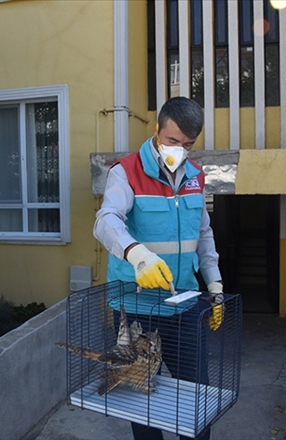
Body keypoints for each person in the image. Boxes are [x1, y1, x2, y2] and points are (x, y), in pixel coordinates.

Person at [93, 96, 223, 440]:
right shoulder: (127, 172)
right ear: (157, 129)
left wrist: (215, 285)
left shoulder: (195, 176)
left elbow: (203, 234)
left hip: (184, 302)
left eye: (189, 144)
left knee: (196, 396)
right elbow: (106, 222)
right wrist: (138, 255)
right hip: (137, 307)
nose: (180, 149)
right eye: (173, 141)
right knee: (143, 398)